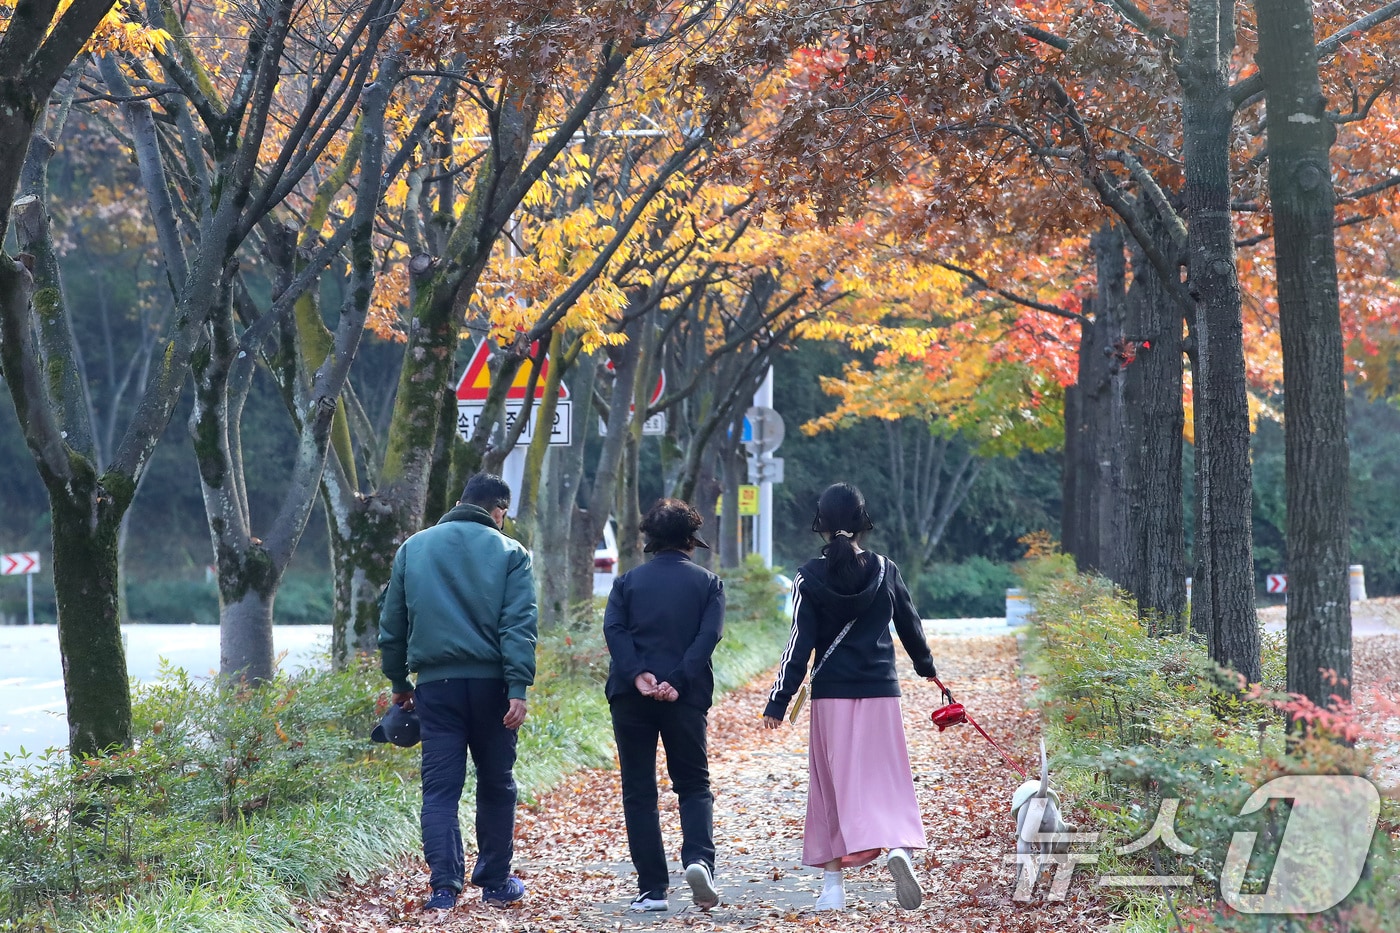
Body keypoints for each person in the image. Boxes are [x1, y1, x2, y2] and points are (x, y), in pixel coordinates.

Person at [762, 482, 939, 912]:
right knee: (886, 777)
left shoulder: (807, 577)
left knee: (831, 788)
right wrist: (927, 669)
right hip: (881, 692)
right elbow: (910, 625)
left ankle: (833, 888)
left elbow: (799, 644)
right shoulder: (885, 569)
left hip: (831, 697)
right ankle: (898, 847)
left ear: (821, 524)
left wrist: (779, 700)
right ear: (862, 523)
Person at [378, 473, 538, 912]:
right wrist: (518, 687)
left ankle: (443, 889)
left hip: (436, 688)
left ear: (459, 502)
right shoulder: (512, 553)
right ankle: (495, 883)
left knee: (440, 791)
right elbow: (519, 626)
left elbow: (392, 624)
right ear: (498, 511)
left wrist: (399, 682)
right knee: (496, 783)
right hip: (493, 689)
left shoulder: (414, 547)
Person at [603, 499, 725, 912]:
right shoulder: (709, 584)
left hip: (630, 696)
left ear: (651, 540)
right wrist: (677, 680)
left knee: (639, 791)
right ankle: (699, 861)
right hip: (685, 698)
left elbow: (614, 630)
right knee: (693, 785)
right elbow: (708, 637)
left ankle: (652, 889)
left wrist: (638, 674)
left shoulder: (626, 583)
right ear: (691, 540)